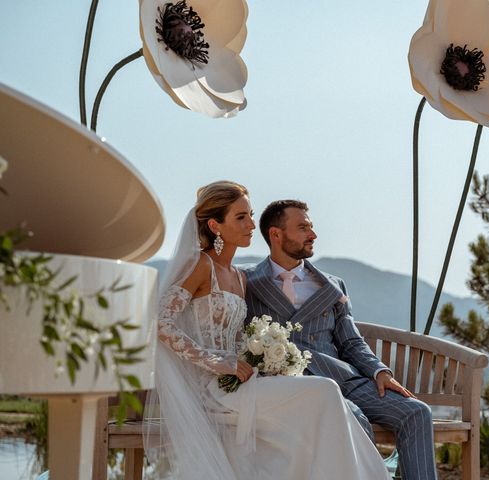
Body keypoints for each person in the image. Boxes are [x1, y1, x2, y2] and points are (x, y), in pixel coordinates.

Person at [143, 181, 391, 480]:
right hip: (212, 388)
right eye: (241, 217)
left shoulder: (238, 276)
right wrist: (218, 362)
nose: (251, 225)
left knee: (323, 406)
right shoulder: (200, 266)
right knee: (325, 391)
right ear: (215, 225)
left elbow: (238, 337)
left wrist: (268, 362)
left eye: (250, 214)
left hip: (243, 383)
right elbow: (162, 323)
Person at [244, 200, 439, 480]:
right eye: (303, 228)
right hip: (295, 387)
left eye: (311, 227)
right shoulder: (248, 282)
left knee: (416, 412)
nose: (313, 235)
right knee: (354, 418)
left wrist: (379, 370)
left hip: (344, 378)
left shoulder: (332, 285)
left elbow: (351, 341)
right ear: (276, 234)